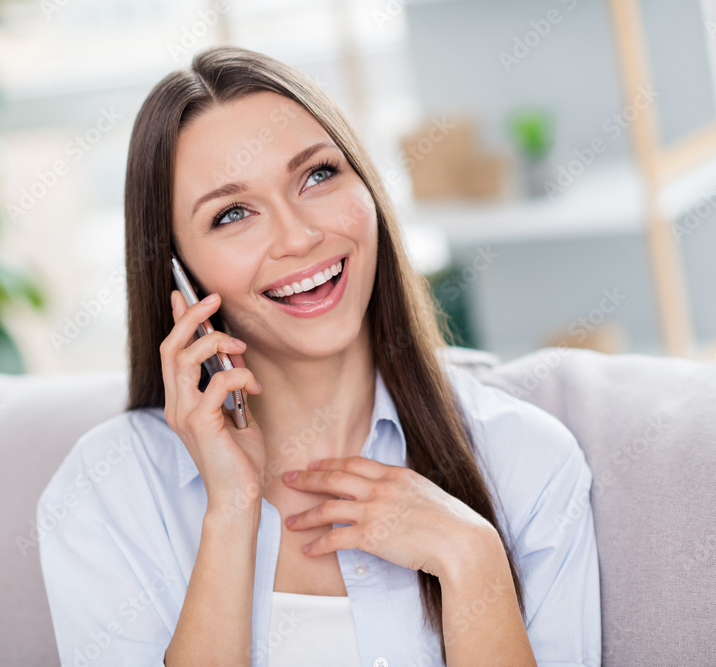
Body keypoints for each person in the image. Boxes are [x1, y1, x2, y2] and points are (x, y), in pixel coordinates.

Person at [37, 44, 601, 667]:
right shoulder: (107, 491)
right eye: (232, 214)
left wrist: (472, 560)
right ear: (180, 276)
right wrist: (231, 512)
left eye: (317, 175)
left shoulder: (529, 463)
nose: (299, 236)